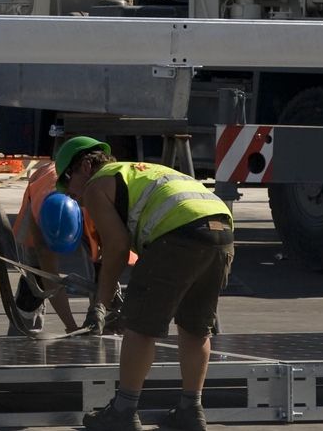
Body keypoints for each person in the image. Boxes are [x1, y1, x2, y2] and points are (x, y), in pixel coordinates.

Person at [56, 137, 234, 431]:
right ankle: (191, 410)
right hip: (221, 232)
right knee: (195, 327)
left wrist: (100, 305)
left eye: (66, 182)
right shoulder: (138, 171)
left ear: (85, 166)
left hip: (178, 234)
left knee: (140, 328)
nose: (71, 195)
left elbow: (117, 248)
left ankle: (123, 411)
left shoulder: (96, 186)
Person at [9, 156, 103, 334]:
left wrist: (98, 312)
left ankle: (102, 318)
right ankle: (25, 323)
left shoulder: (96, 209)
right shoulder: (39, 216)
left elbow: (110, 262)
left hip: (78, 201)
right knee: (36, 278)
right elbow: (49, 276)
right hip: (40, 190)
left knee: (103, 270)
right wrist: (71, 326)